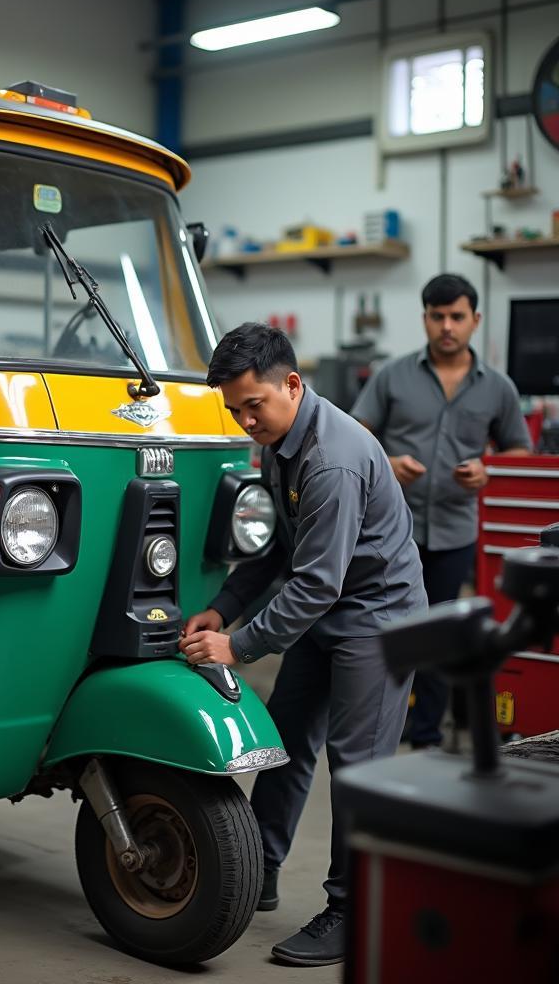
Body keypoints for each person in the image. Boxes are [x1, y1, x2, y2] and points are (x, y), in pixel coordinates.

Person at [180, 322, 427, 968]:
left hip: (377, 619)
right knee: (286, 741)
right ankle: (254, 872)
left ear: (293, 384)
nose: (244, 422)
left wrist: (240, 646)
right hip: (329, 610)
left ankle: (353, 910)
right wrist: (221, 608)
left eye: (252, 405)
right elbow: (278, 556)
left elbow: (316, 582)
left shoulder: (332, 458)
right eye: (234, 410)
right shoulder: (281, 440)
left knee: (358, 769)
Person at [351, 274, 531, 749]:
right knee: (384, 632)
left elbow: (519, 452)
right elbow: (354, 435)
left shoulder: (498, 387)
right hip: (390, 533)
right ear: (425, 318)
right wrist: (386, 463)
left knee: (440, 631)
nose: (447, 326)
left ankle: (426, 736)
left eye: (456, 317)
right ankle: (380, 725)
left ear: (475, 320)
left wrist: (488, 469)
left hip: (454, 532)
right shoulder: (392, 375)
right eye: (437, 316)